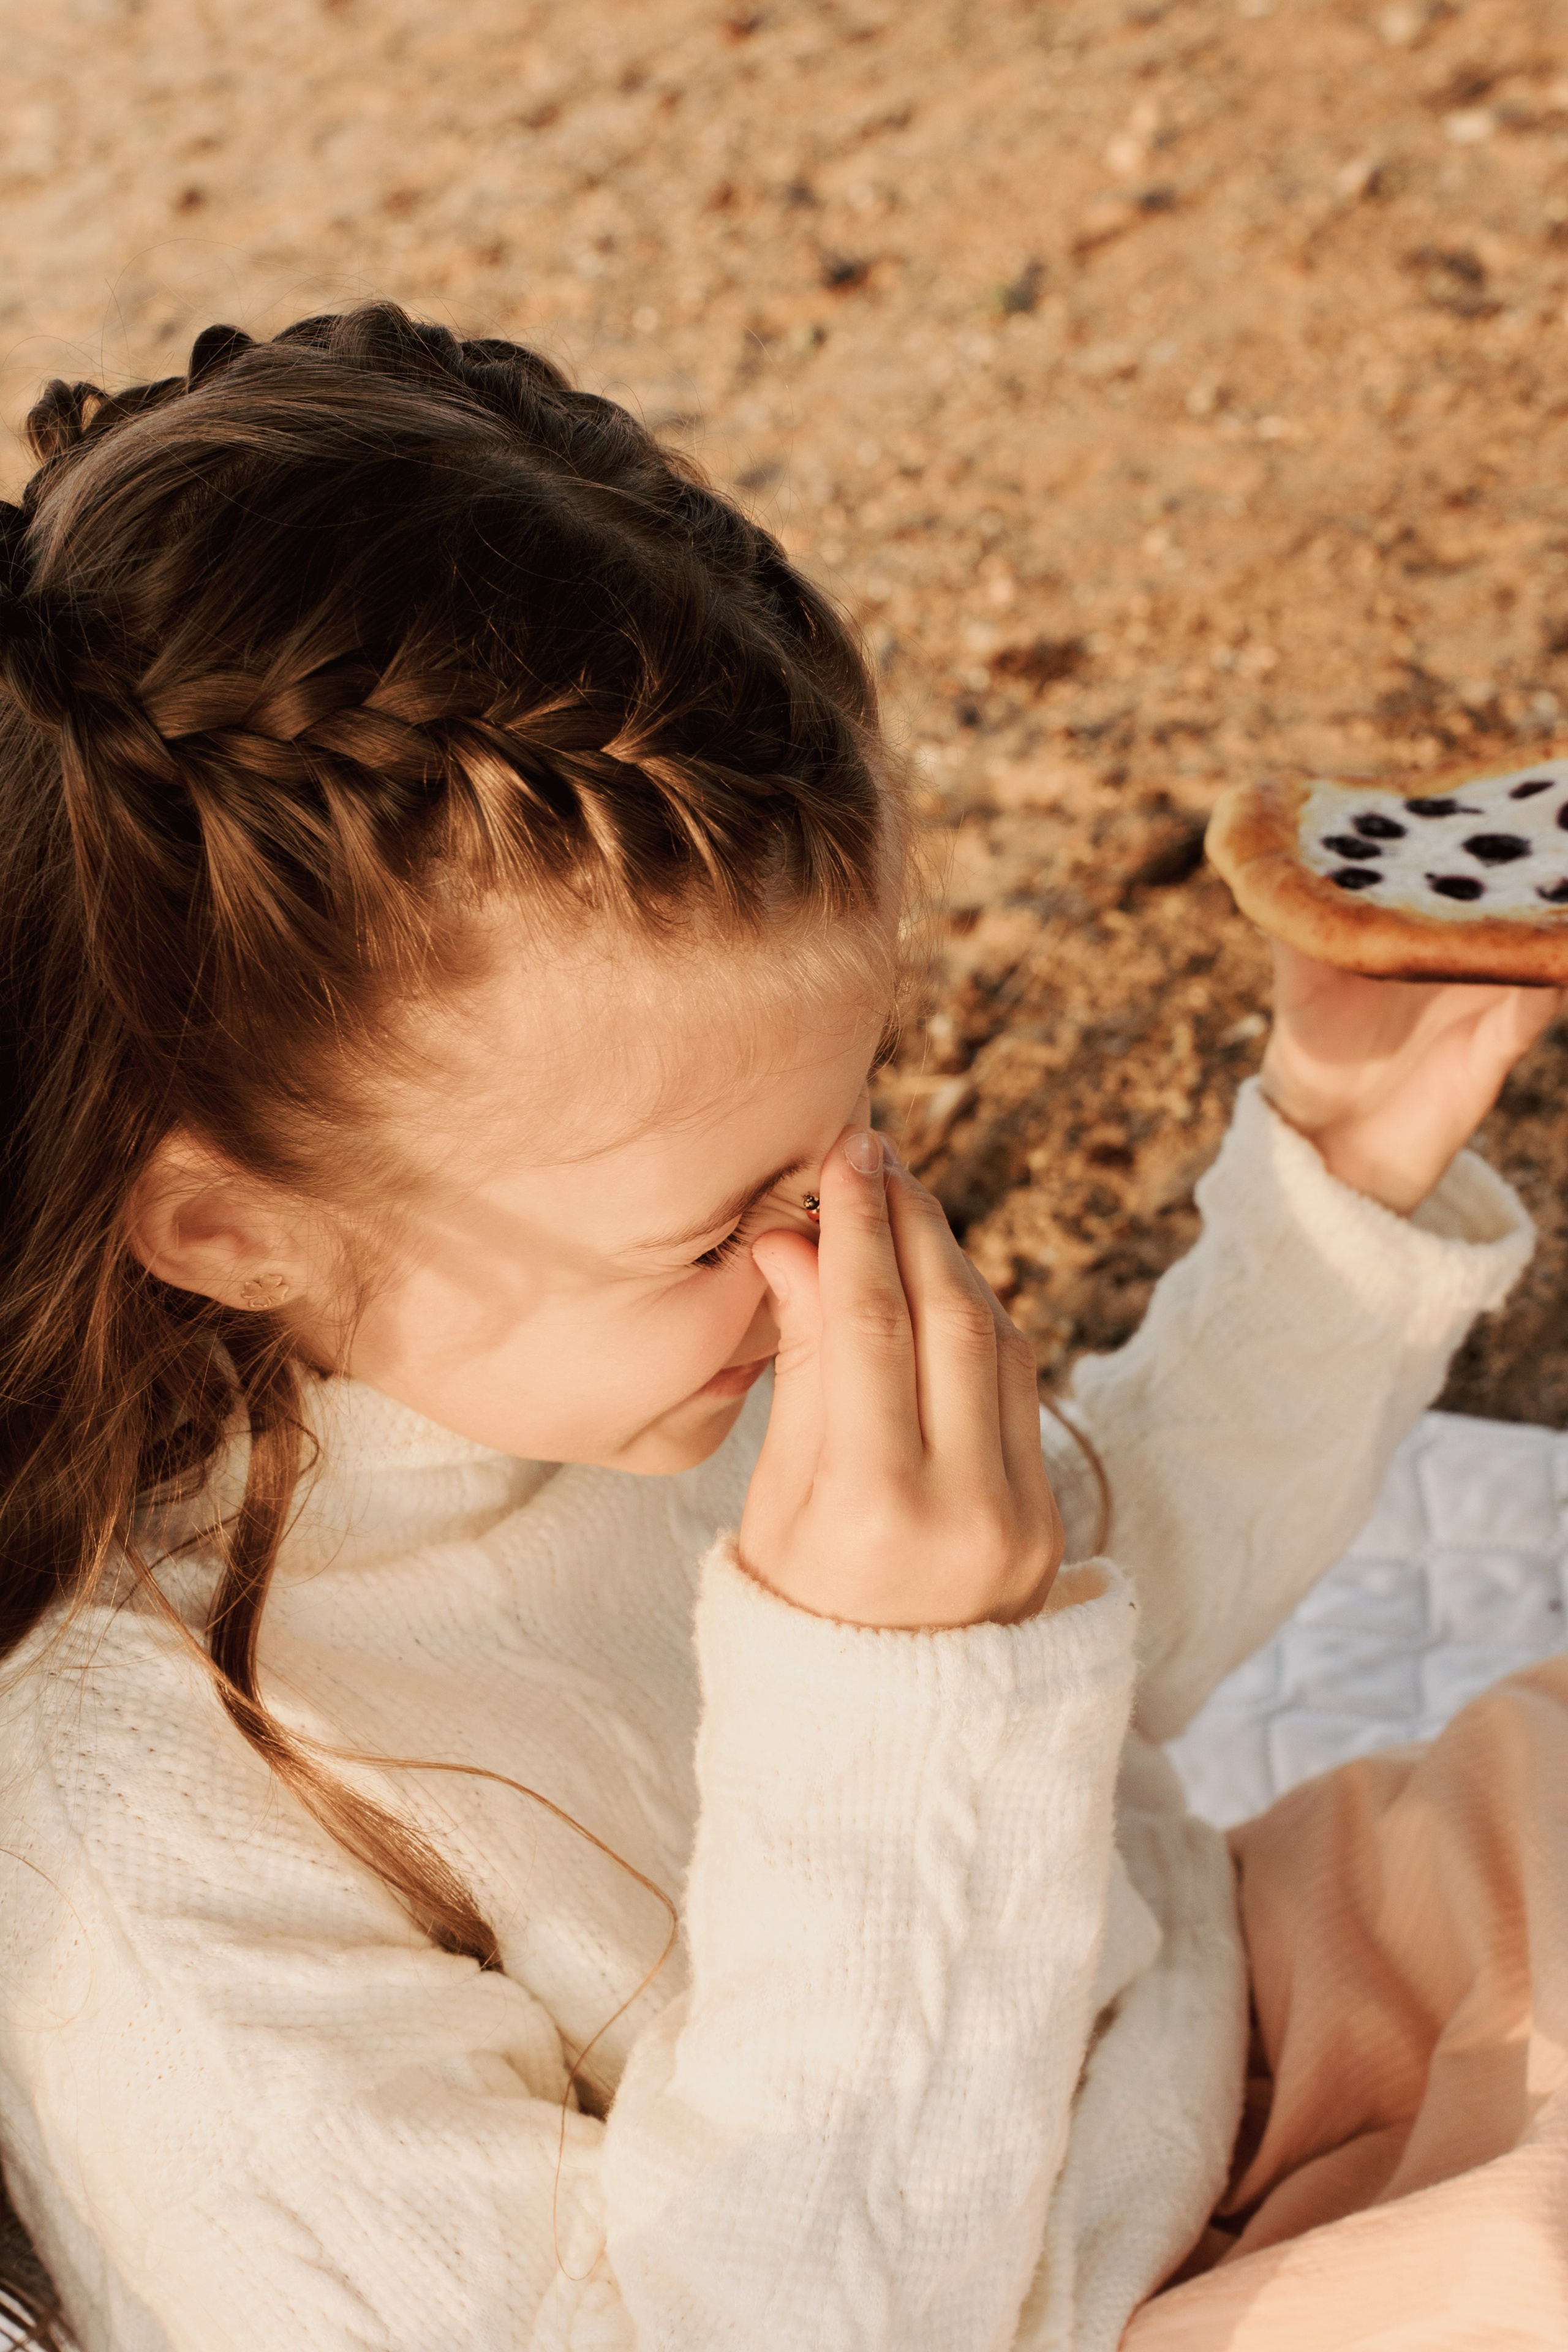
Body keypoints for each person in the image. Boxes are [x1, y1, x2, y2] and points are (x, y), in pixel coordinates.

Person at [0, 306, 1556, 2352]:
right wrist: (896, 1697)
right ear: (229, 1224)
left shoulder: (629, 1339)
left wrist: (1336, 1180)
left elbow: (1091, 1610)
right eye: (727, 1214)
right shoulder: (140, 1851)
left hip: (1235, 2020)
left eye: (853, 1120)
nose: (840, 1239)